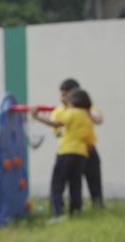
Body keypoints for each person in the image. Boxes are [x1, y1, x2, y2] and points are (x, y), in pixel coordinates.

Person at [32, 88, 94, 221]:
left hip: (66, 151)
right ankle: (75, 212)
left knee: (58, 183)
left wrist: (37, 117)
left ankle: (58, 212)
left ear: (73, 101)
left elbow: (57, 123)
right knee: (75, 184)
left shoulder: (71, 113)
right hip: (81, 154)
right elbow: (90, 142)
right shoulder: (87, 118)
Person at [52, 79, 105, 208]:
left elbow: (98, 118)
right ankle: (64, 208)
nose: (62, 98)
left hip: (88, 148)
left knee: (93, 177)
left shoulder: (87, 108)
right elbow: (56, 130)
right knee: (69, 182)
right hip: (69, 150)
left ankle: (97, 204)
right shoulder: (59, 111)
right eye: (61, 95)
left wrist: (83, 110)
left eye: (65, 95)